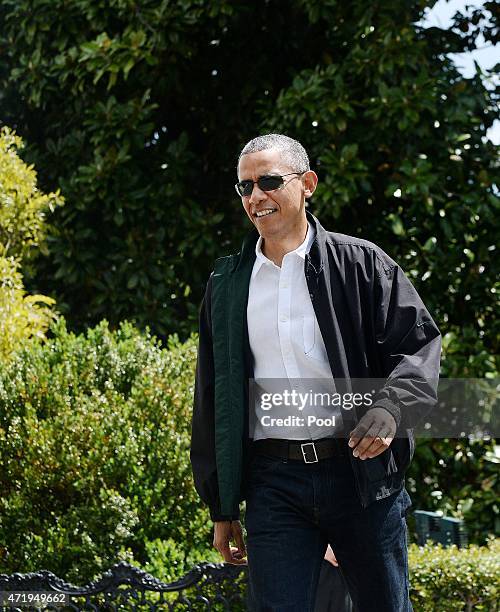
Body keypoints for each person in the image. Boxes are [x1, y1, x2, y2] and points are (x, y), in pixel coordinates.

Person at [190, 134, 441, 611]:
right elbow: (213, 395)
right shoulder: (226, 285)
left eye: (268, 181)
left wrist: (391, 409)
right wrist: (221, 505)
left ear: (307, 184)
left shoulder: (362, 263)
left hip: (360, 476)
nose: (256, 196)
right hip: (273, 483)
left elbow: (419, 346)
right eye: (245, 187)